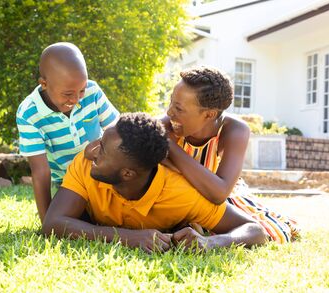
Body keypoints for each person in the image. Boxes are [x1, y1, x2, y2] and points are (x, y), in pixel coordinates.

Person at [43, 113, 268, 253]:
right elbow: (53, 222)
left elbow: (255, 231)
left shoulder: (181, 192)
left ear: (128, 173)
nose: (91, 151)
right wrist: (127, 238)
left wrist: (210, 243)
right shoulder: (85, 164)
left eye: (102, 149)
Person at [163, 66, 299, 243]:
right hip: (183, 193)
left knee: (273, 233)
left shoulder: (233, 130)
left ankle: (211, 239)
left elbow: (220, 192)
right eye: (171, 102)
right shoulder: (168, 125)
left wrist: (170, 147)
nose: (169, 112)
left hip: (226, 196)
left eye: (179, 108)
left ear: (209, 114)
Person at [16, 42, 119, 223]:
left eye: (81, 90)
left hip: (103, 175)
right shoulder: (28, 114)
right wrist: (47, 221)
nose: (77, 99)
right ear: (44, 84)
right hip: (70, 186)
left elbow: (118, 131)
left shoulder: (92, 92)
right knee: (74, 222)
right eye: (68, 94)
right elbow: (41, 172)